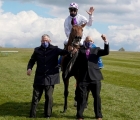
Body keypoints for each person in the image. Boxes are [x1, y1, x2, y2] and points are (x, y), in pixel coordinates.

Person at [27, 34, 74, 118]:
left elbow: (65, 53)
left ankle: (47, 115)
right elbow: (32, 60)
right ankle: (32, 115)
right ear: (41, 41)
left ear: (50, 41)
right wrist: (29, 68)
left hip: (50, 78)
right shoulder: (37, 50)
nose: (45, 42)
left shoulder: (55, 49)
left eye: (46, 40)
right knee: (35, 97)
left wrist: (70, 51)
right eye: (43, 40)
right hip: (39, 77)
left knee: (48, 97)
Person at [74, 34, 109, 120]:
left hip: (95, 77)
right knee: (81, 96)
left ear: (93, 42)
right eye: (87, 40)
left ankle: (98, 115)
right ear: (84, 41)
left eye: (90, 41)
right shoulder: (80, 50)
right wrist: (72, 52)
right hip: (83, 78)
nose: (88, 42)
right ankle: (79, 115)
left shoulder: (96, 49)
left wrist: (105, 41)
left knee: (96, 96)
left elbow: (106, 52)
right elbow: (76, 62)